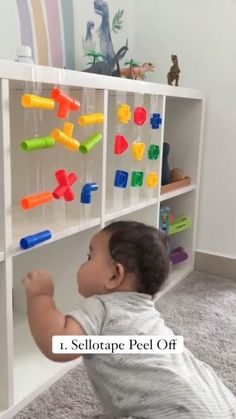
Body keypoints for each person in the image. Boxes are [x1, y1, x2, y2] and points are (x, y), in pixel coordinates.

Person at [22, 221, 236, 419]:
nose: (83, 263)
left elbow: (59, 345)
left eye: (89, 257)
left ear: (115, 275)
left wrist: (40, 297)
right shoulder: (146, 314)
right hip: (219, 404)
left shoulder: (102, 306)